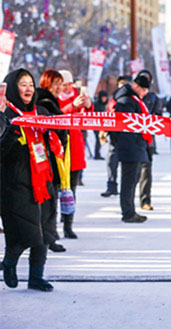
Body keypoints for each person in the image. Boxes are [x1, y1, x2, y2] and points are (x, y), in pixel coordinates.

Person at [1, 68, 57, 291]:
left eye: (31, 84)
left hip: (43, 179)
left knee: (44, 229)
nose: (28, 88)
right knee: (25, 230)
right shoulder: (6, 114)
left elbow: (60, 137)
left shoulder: (40, 110)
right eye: (23, 84)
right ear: (13, 87)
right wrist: (11, 133)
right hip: (16, 182)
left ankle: (36, 277)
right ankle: (9, 262)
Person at [57, 70, 94, 238]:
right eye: (64, 84)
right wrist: (72, 106)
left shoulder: (75, 97)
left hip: (75, 149)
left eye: (69, 84)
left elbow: (88, 119)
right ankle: (52, 225)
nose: (67, 87)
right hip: (58, 150)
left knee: (71, 190)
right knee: (55, 190)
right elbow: (55, 116)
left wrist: (87, 105)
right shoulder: (53, 98)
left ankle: (68, 223)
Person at [37, 69, 69, 252]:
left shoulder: (52, 101)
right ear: (46, 84)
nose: (59, 87)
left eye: (61, 83)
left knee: (52, 200)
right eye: (56, 83)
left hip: (55, 158)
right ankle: (45, 238)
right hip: (45, 159)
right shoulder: (44, 102)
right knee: (47, 202)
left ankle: (49, 236)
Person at [114, 73, 151, 223]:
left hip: (135, 146)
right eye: (143, 90)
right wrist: (136, 140)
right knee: (128, 181)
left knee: (133, 180)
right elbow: (127, 125)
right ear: (136, 87)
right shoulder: (126, 101)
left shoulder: (134, 100)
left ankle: (130, 210)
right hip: (129, 146)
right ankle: (128, 213)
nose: (144, 94)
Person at [101, 76, 131, 197]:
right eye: (121, 84)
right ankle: (111, 186)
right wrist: (104, 130)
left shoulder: (130, 99)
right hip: (114, 136)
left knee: (127, 166)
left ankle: (126, 190)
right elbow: (108, 116)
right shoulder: (112, 100)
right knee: (111, 163)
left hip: (127, 137)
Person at [138, 70, 162, 211]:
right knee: (133, 173)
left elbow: (159, 117)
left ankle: (145, 200)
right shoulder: (133, 97)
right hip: (133, 140)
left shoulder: (153, 98)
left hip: (148, 139)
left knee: (146, 171)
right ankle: (127, 202)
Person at [93, 90, 108, 160]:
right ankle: (97, 154)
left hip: (103, 124)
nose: (104, 99)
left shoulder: (106, 104)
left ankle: (98, 153)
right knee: (98, 138)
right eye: (103, 97)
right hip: (96, 124)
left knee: (101, 138)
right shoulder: (96, 104)